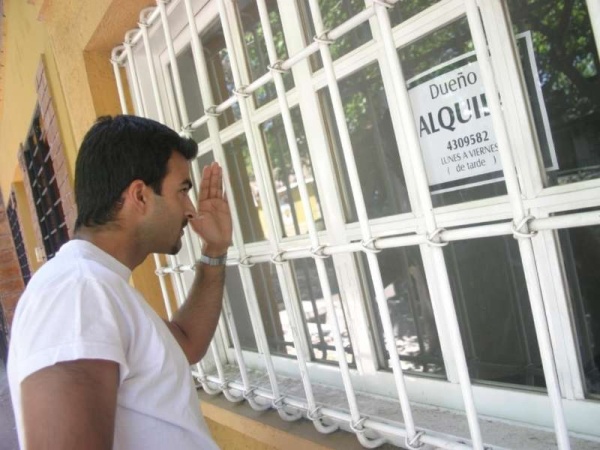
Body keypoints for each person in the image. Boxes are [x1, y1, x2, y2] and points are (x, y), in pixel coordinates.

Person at [7, 115, 232, 450]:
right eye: (182, 191)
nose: (190, 209)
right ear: (140, 195)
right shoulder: (78, 292)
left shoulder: (98, 284)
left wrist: (215, 249)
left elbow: (185, 343)